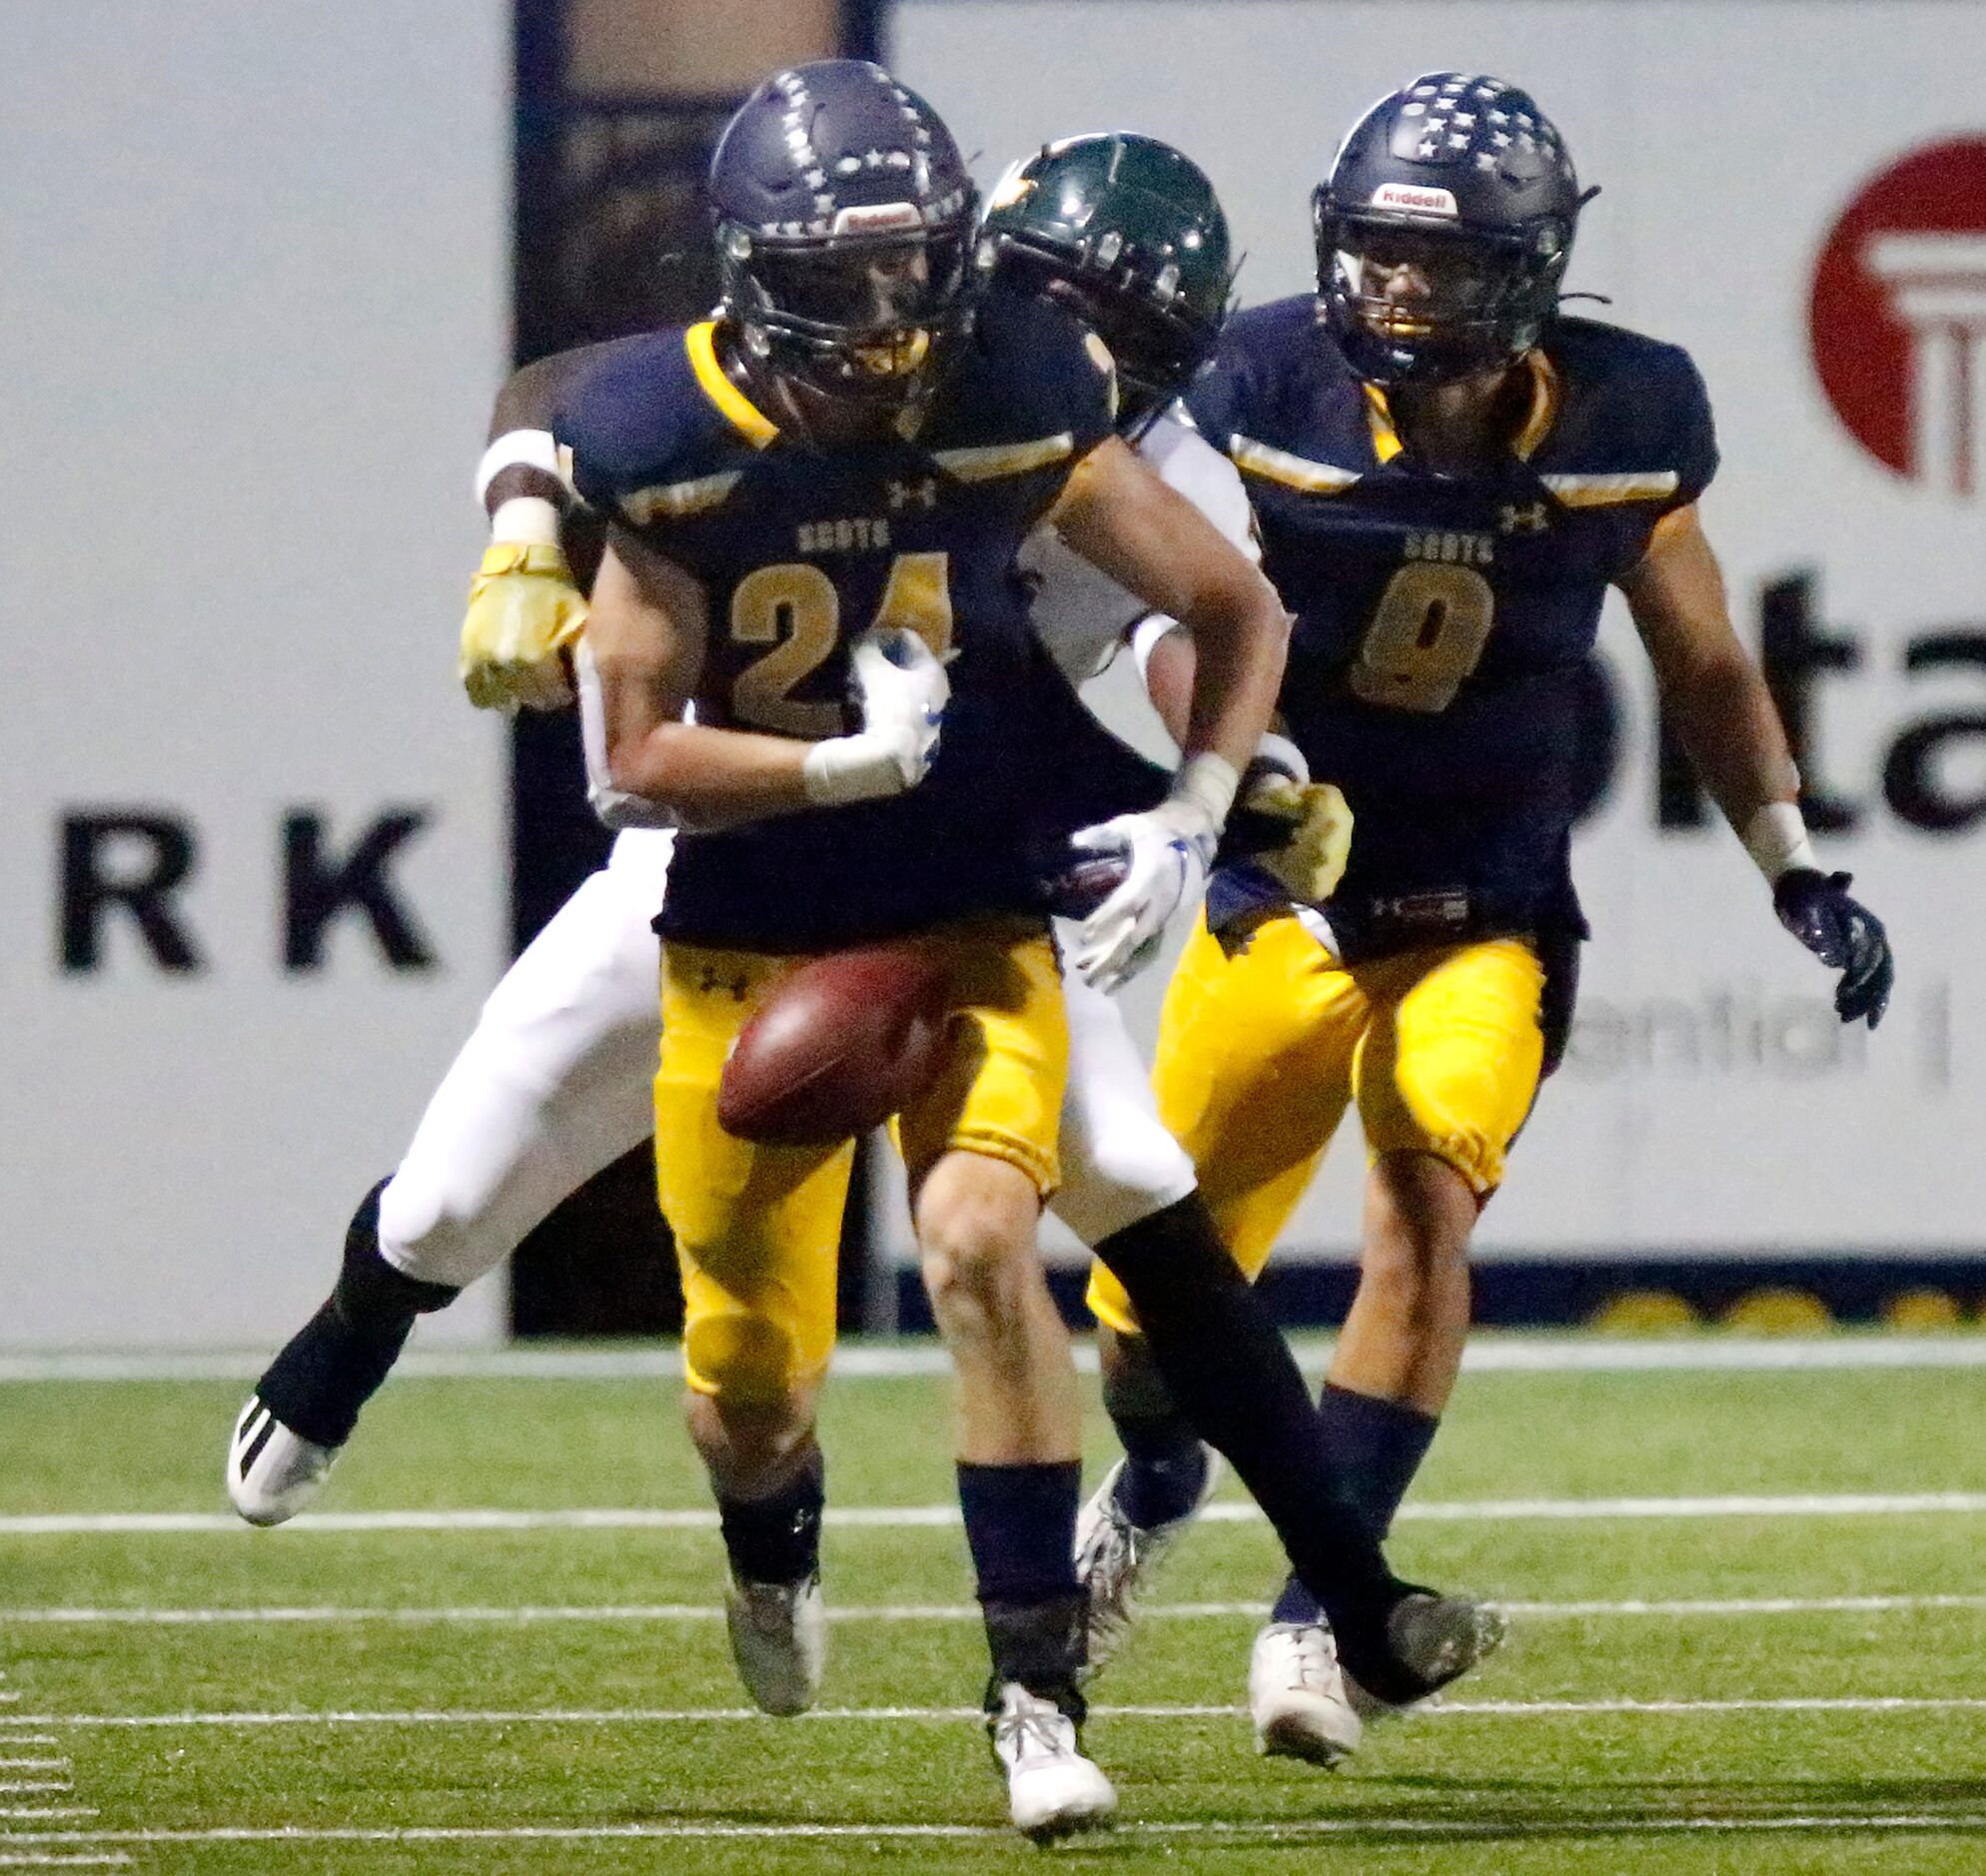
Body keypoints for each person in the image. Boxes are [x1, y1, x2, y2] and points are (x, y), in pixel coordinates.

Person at [223, 80, 1480, 1836]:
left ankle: (1324, 1592)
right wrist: (523, 532)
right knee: (449, 1207)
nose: (1058, 341)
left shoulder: (1075, 420)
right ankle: (360, 1327)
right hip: (722, 856)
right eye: (1054, 297)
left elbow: (1200, 630)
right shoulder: (823, 360)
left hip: (962, 877)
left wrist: (1233, 794)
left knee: (1125, 1179)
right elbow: (574, 405)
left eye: (1124, 334)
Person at [1074, 72, 1895, 1766]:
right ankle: (1153, 1470)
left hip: (1487, 903)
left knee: (1424, 1199)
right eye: (1374, 257)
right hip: (1280, 890)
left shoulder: (1624, 408)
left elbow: (1706, 657)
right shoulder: (1255, 375)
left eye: (1438, 268)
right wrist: (1241, 772)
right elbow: (1149, 600)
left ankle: (1323, 1609)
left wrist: (1794, 859)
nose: (1396, 295)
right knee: (1152, 1318)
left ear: (1529, 274)